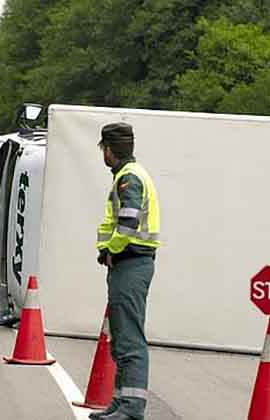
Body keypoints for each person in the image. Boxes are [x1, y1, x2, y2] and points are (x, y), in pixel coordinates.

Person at [91, 123, 160, 420]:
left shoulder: (129, 179)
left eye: (103, 149)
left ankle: (131, 409)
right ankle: (121, 403)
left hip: (131, 262)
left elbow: (128, 223)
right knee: (121, 336)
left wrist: (110, 249)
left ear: (109, 150)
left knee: (129, 337)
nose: (102, 154)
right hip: (129, 264)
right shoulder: (129, 174)